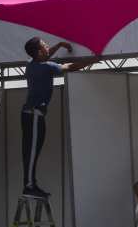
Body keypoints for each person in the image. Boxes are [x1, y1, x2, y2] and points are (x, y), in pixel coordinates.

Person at [21, 37, 91, 198]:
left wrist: (59, 45)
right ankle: (29, 186)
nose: (48, 47)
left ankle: (31, 184)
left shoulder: (31, 64)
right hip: (34, 116)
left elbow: (46, 56)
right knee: (31, 152)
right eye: (45, 46)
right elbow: (70, 66)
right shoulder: (45, 67)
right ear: (39, 51)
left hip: (32, 115)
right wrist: (93, 59)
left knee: (31, 151)